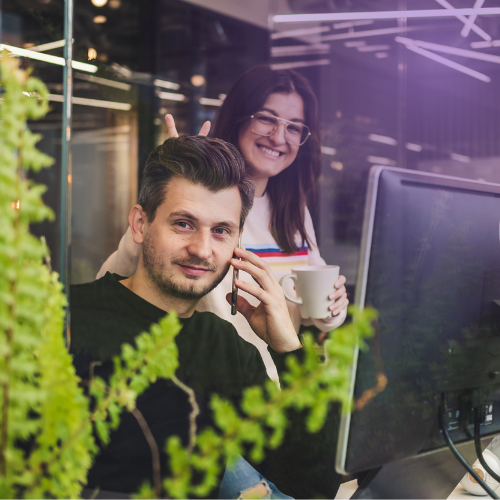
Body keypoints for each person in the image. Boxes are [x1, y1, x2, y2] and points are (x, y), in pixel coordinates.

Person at [71, 136, 341, 499]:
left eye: (221, 231)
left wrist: (287, 348)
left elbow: (316, 483)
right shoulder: (69, 315)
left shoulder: (228, 347)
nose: (202, 249)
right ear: (139, 224)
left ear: (237, 243)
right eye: (183, 224)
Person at [97, 66, 349, 384]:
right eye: (267, 118)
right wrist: (175, 191)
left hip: (276, 381)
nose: (279, 137)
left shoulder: (294, 213)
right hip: (209, 383)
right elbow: (110, 279)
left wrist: (332, 308)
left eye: (294, 127)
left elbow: (313, 307)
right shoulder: (203, 208)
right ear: (239, 118)